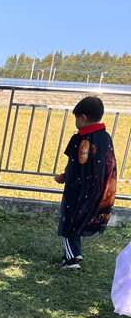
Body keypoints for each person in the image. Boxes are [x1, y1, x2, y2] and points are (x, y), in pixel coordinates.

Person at [53, 96, 117, 270]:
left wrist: (63, 177)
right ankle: (75, 253)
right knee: (80, 220)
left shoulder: (78, 139)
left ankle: (71, 259)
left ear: (83, 118)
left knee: (69, 222)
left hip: (78, 189)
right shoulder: (105, 137)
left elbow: (72, 165)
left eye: (76, 118)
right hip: (99, 190)